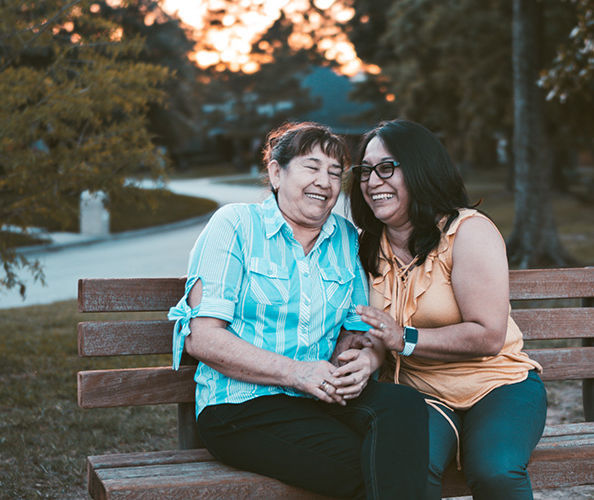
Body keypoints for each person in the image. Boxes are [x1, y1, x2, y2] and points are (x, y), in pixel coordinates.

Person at [168, 122, 429, 500]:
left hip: (319, 396)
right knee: (374, 466)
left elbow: (357, 331)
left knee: (401, 405)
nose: (325, 181)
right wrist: (296, 372)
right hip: (242, 406)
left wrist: (361, 362)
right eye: (312, 166)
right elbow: (202, 338)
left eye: (335, 172)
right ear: (276, 172)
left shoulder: (347, 238)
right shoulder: (235, 225)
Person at [347, 119, 547, 500]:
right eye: (365, 171)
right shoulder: (366, 246)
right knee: (407, 470)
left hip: (498, 387)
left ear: (421, 168)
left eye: (387, 167)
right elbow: (371, 330)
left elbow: (488, 335)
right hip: (420, 394)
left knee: (496, 472)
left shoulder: (467, 231)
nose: (373, 182)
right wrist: (366, 357)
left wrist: (402, 338)